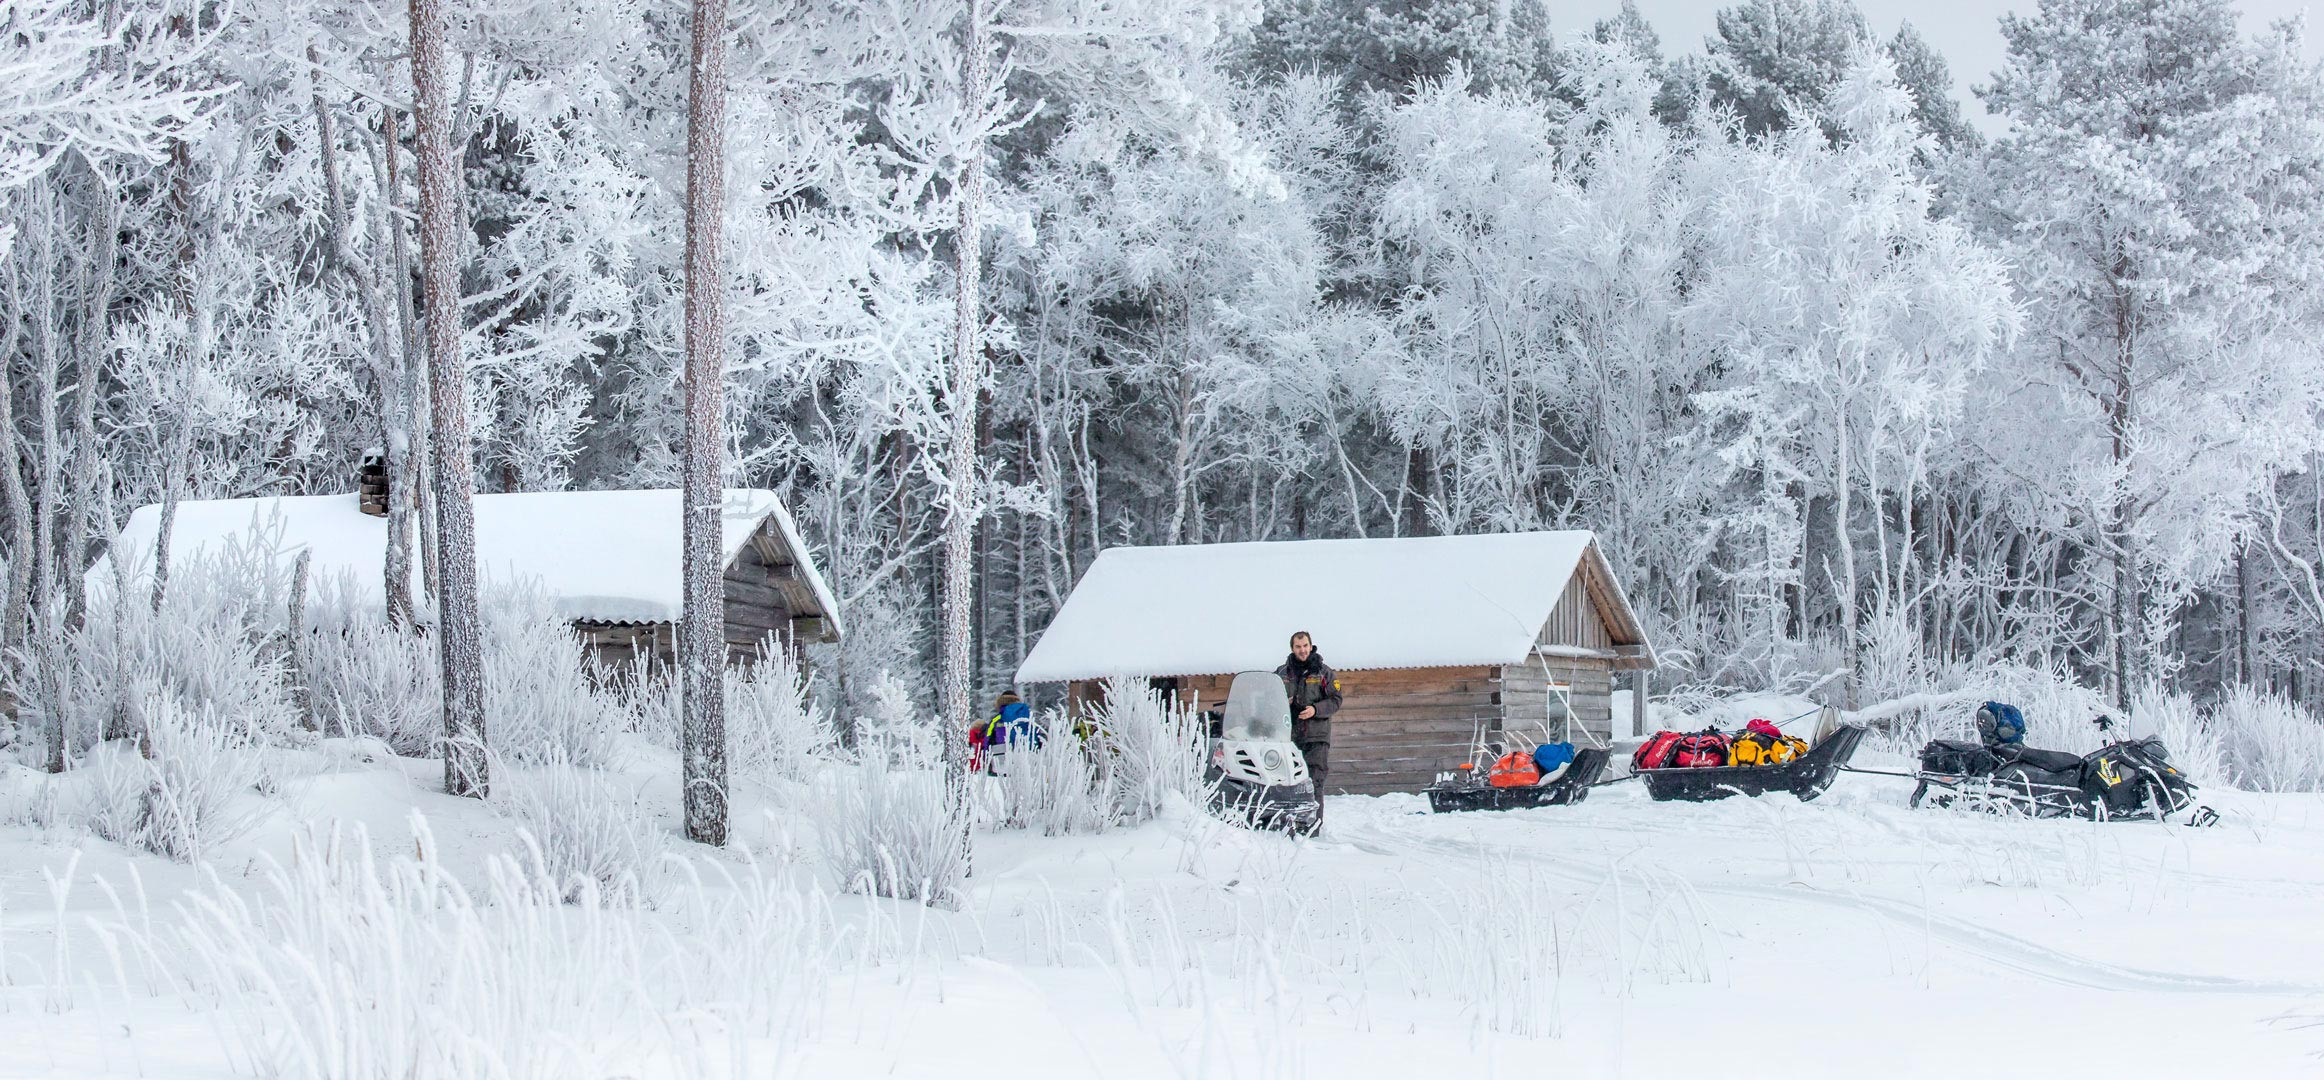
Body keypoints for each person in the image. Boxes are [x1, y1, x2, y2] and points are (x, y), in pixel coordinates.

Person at [1274, 631, 1342, 815]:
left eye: (1305, 646)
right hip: (1288, 738)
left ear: (1311, 646)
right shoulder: (1281, 673)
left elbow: (1336, 700)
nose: (1302, 650)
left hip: (1316, 737)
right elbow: (1269, 699)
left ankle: (1313, 826)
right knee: (1287, 782)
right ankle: (1289, 823)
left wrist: (1315, 710)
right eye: (1298, 646)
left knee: (1314, 782)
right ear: (1292, 648)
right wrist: (1282, 703)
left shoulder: (1323, 672)